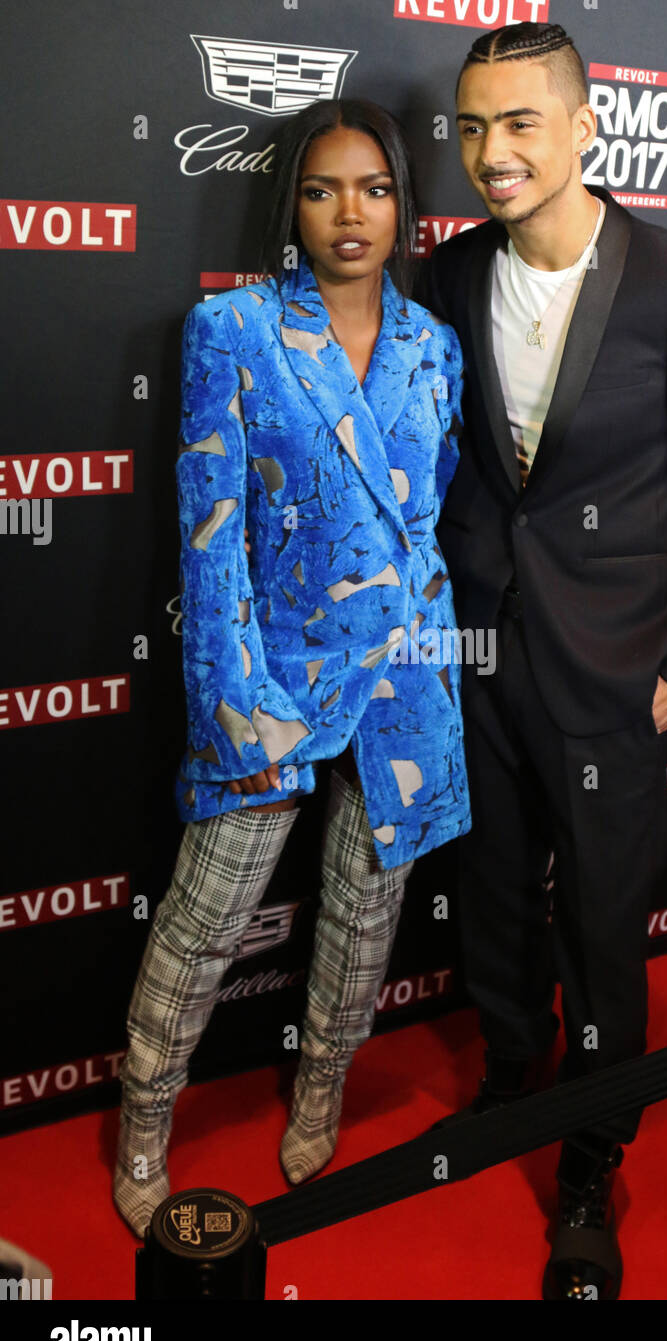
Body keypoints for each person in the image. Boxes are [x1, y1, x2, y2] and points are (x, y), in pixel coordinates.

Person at [415, 23, 667, 1300]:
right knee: (493, 899)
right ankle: (507, 1080)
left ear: (584, 128)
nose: (491, 152)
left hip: (614, 677)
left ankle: (589, 1157)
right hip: (480, 655)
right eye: (472, 126)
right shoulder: (452, 272)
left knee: (600, 929)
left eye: (520, 122)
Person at [113, 99, 470, 1239]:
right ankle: (144, 1118)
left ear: (402, 205)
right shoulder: (234, 330)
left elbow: (429, 510)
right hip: (270, 680)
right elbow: (209, 537)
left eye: (374, 188)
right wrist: (237, 699)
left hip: (403, 677)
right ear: (293, 206)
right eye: (323, 190)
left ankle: (322, 1082)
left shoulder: (433, 345)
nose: (349, 213)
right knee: (204, 919)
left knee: (366, 913)